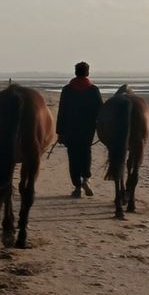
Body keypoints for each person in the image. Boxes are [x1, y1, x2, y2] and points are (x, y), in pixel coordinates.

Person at [57, 61, 103, 198]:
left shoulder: (67, 89)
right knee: (86, 152)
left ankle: (77, 186)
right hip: (87, 128)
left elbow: (62, 112)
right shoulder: (93, 90)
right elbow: (100, 110)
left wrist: (59, 132)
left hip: (70, 129)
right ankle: (87, 178)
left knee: (73, 156)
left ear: (75, 72)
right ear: (87, 73)